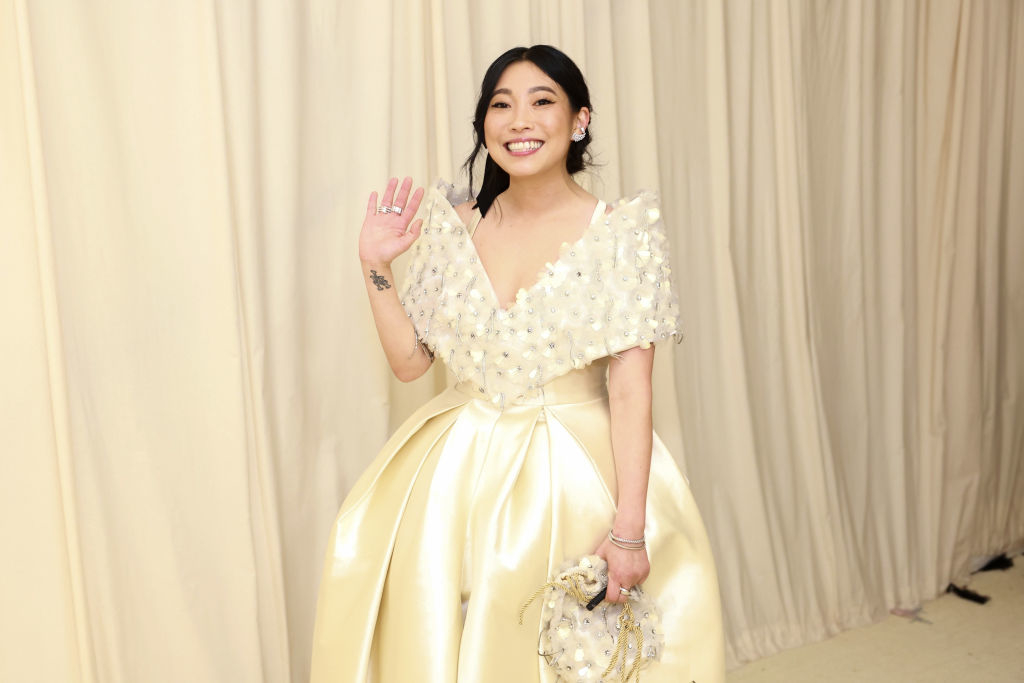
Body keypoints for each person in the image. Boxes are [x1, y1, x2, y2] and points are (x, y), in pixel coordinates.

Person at [310, 45, 724, 682]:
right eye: (500, 105)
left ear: (579, 120)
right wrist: (376, 265)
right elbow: (411, 363)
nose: (518, 120)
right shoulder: (458, 226)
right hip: (458, 470)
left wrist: (630, 529)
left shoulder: (620, 231)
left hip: (574, 474)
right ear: (484, 126)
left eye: (541, 102)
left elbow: (632, 389)